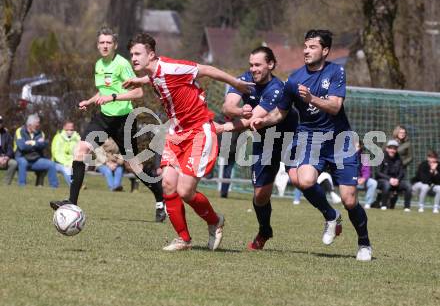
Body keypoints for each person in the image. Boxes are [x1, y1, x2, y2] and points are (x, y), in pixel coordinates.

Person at [123, 32, 254, 251]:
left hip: (199, 132)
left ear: (151, 54)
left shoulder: (172, 67)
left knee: (185, 191)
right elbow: (155, 77)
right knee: (166, 183)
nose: (133, 58)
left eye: (138, 53)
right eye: (131, 54)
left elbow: (206, 70)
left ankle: (215, 221)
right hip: (176, 133)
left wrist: (236, 83)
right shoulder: (152, 72)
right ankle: (183, 239)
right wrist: (139, 80)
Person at [250, 29, 372, 261]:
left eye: (312, 47)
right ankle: (330, 215)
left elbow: (335, 107)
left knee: (349, 199)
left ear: (325, 50)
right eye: (305, 46)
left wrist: (312, 99)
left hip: (339, 141)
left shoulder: (337, 71)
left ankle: (364, 243)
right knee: (303, 180)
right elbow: (280, 113)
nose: (306, 50)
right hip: (310, 138)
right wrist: (263, 120)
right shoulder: (294, 79)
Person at [49, 26, 166, 222]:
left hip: (124, 120)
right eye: (101, 42)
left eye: (108, 42)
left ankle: (160, 199)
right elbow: (102, 91)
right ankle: (71, 202)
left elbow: (138, 93)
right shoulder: (98, 65)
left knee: (133, 166)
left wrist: (113, 97)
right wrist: (90, 100)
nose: (105, 46)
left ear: (115, 45)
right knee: (81, 149)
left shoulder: (122, 64)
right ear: (97, 45)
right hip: (103, 119)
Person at [222, 46, 297, 250]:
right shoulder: (244, 80)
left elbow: (254, 119)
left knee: (302, 180)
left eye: (258, 65)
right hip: (265, 140)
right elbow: (227, 108)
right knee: (260, 195)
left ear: (270, 65)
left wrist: (224, 127)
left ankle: (330, 216)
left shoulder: (276, 88)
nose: (253, 69)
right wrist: (240, 109)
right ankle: (265, 230)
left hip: (290, 137)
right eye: (251, 65)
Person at [14, 114, 59, 188]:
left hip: (35, 159)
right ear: (29, 124)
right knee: (23, 162)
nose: (38, 125)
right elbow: (22, 147)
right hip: (22, 157)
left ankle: (54, 187)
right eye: (37, 124)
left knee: (51, 164)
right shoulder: (19, 131)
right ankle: (22, 186)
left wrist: (32, 142)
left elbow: (44, 145)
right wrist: (37, 143)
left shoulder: (41, 133)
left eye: (38, 124)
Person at [376, 140, 412, 211]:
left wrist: (397, 179)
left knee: (408, 186)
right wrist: (390, 179)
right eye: (390, 148)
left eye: (394, 148)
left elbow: (402, 172)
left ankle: (407, 207)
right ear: (387, 149)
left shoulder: (399, 159)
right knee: (386, 185)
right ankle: (384, 205)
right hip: (382, 181)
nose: (392, 150)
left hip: (396, 181)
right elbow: (378, 173)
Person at [51, 121, 80, 186]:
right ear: (64, 128)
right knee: (67, 169)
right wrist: (66, 163)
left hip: (72, 163)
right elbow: (56, 154)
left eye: (71, 129)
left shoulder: (77, 138)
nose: (69, 131)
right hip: (58, 163)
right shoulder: (58, 137)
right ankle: (74, 186)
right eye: (67, 129)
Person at [356, 141, 378, 209]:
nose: (355, 148)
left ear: (360, 147)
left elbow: (367, 171)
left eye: (357, 146)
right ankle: (348, 201)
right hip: (351, 179)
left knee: (373, 183)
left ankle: (368, 204)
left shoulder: (364, 157)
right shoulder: (346, 157)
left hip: (361, 180)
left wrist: (363, 178)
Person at [0, 115, 18, 185]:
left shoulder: (6, 134)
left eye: (0, 122)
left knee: (14, 163)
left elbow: (10, 147)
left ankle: (5, 184)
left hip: (4, 157)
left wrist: (7, 157)